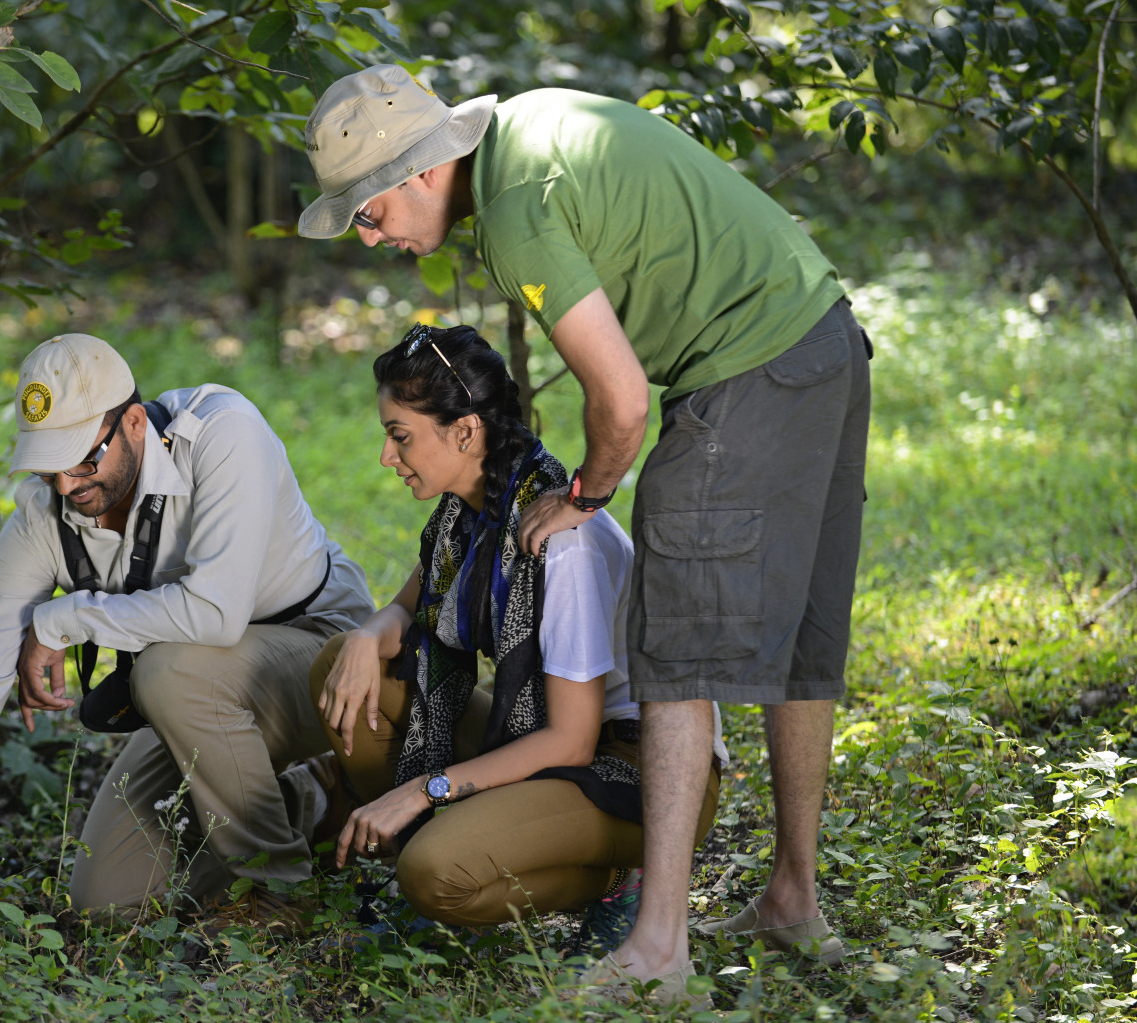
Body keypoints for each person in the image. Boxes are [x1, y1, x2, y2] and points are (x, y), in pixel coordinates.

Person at [299, 66, 870, 1007]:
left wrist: (588, 495)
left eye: (367, 214)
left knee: (677, 654)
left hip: (744, 368)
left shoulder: (518, 203)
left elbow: (622, 398)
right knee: (803, 638)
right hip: (821, 335)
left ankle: (659, 944)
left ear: (414, 172)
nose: (375, 239)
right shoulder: (534, 132)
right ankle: (793, 900)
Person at [0, 334, 375, 924]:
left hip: (324, 660)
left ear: (134, 422)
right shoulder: (45, 516)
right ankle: (314, 795)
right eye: (48, 465)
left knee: (168, 671)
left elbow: (216, 613)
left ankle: (283, 892)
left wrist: (62, 618)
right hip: (203, 701)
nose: (65, 484)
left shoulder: (222, 434)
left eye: (83, 457)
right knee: (106, 902)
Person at [314, 323, 725, 930]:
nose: (386, 457)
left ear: (464, 430)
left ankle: (621, 880)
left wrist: (425, 789)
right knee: (346, 665)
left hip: (637, 767)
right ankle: (469, 835)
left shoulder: (560, 541)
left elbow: (571, 742)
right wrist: (364, 636)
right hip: (546, 736)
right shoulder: (468, 512)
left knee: (434, 874)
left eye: (399, 437)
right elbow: (404, 611)